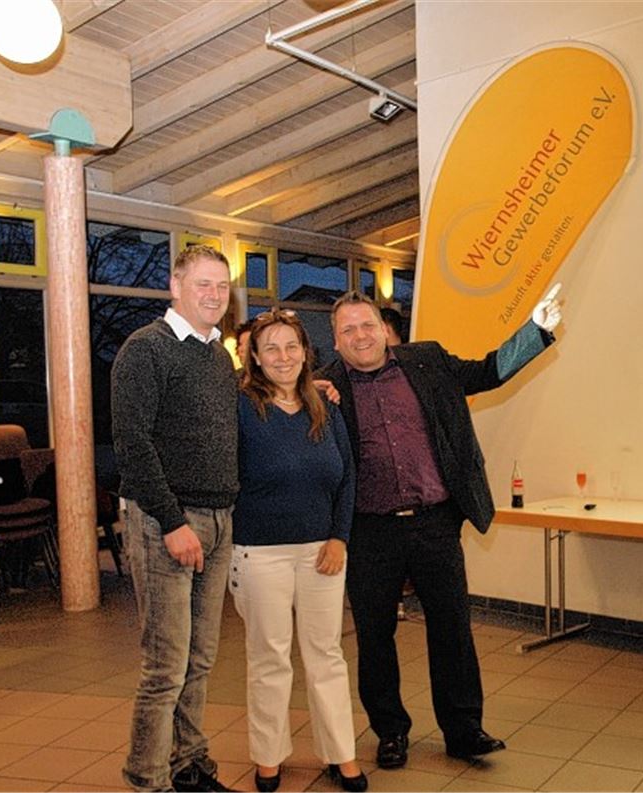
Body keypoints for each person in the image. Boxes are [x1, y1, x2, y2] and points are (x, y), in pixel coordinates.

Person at [320, 286, 563, 769]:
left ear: (384, 330)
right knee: (374, 636)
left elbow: (488, 372)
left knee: (452, 628)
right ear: (335, 341)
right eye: (348, 330)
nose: (360, 336)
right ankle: (390, 732)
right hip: (369, 531)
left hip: (435, 523)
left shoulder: (426, 361)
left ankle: (463, 729)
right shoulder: (325, 387)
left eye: (367, 325)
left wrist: (535, 330)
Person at [112, 244, 238, 792]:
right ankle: (147, 780)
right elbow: (132, 443)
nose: (214, 296)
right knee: (165, 666)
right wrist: (171, 522)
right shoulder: (146, 349)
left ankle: (189, 765)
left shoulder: (219, 355)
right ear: (176, 285)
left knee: (201, 659)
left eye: (222, 286)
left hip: (218, 520)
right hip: (166, 522)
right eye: (203, 284)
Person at [231, 309, 366, 793]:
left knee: (326, 655)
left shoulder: (324, 406)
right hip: (258, 552)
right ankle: (268, 757)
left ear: (306, 353)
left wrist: (339, 537)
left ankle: (340, 754)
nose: (283, 357)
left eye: (292, 347)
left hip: (322, 552)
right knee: (269, 657)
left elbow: (348, 475)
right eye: (271, 349)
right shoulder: (238, 404)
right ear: (255, 358)